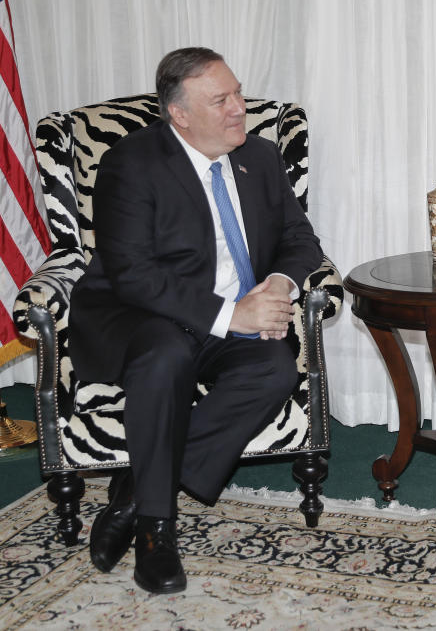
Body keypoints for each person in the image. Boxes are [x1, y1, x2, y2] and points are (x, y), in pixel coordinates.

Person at [70, 47, 323, 594]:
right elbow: (134, 275)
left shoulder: (260, 157)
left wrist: (278, 286)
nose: (239, 108)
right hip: (144, 314)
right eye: (221, 100)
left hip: (230, 313)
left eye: (238, 93)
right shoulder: (130, 164)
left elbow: (301, 240)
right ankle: (157, 532)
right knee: (167, 356)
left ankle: (137, 491)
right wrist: (231, 314)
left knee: (275, 370)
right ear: (179, 114)